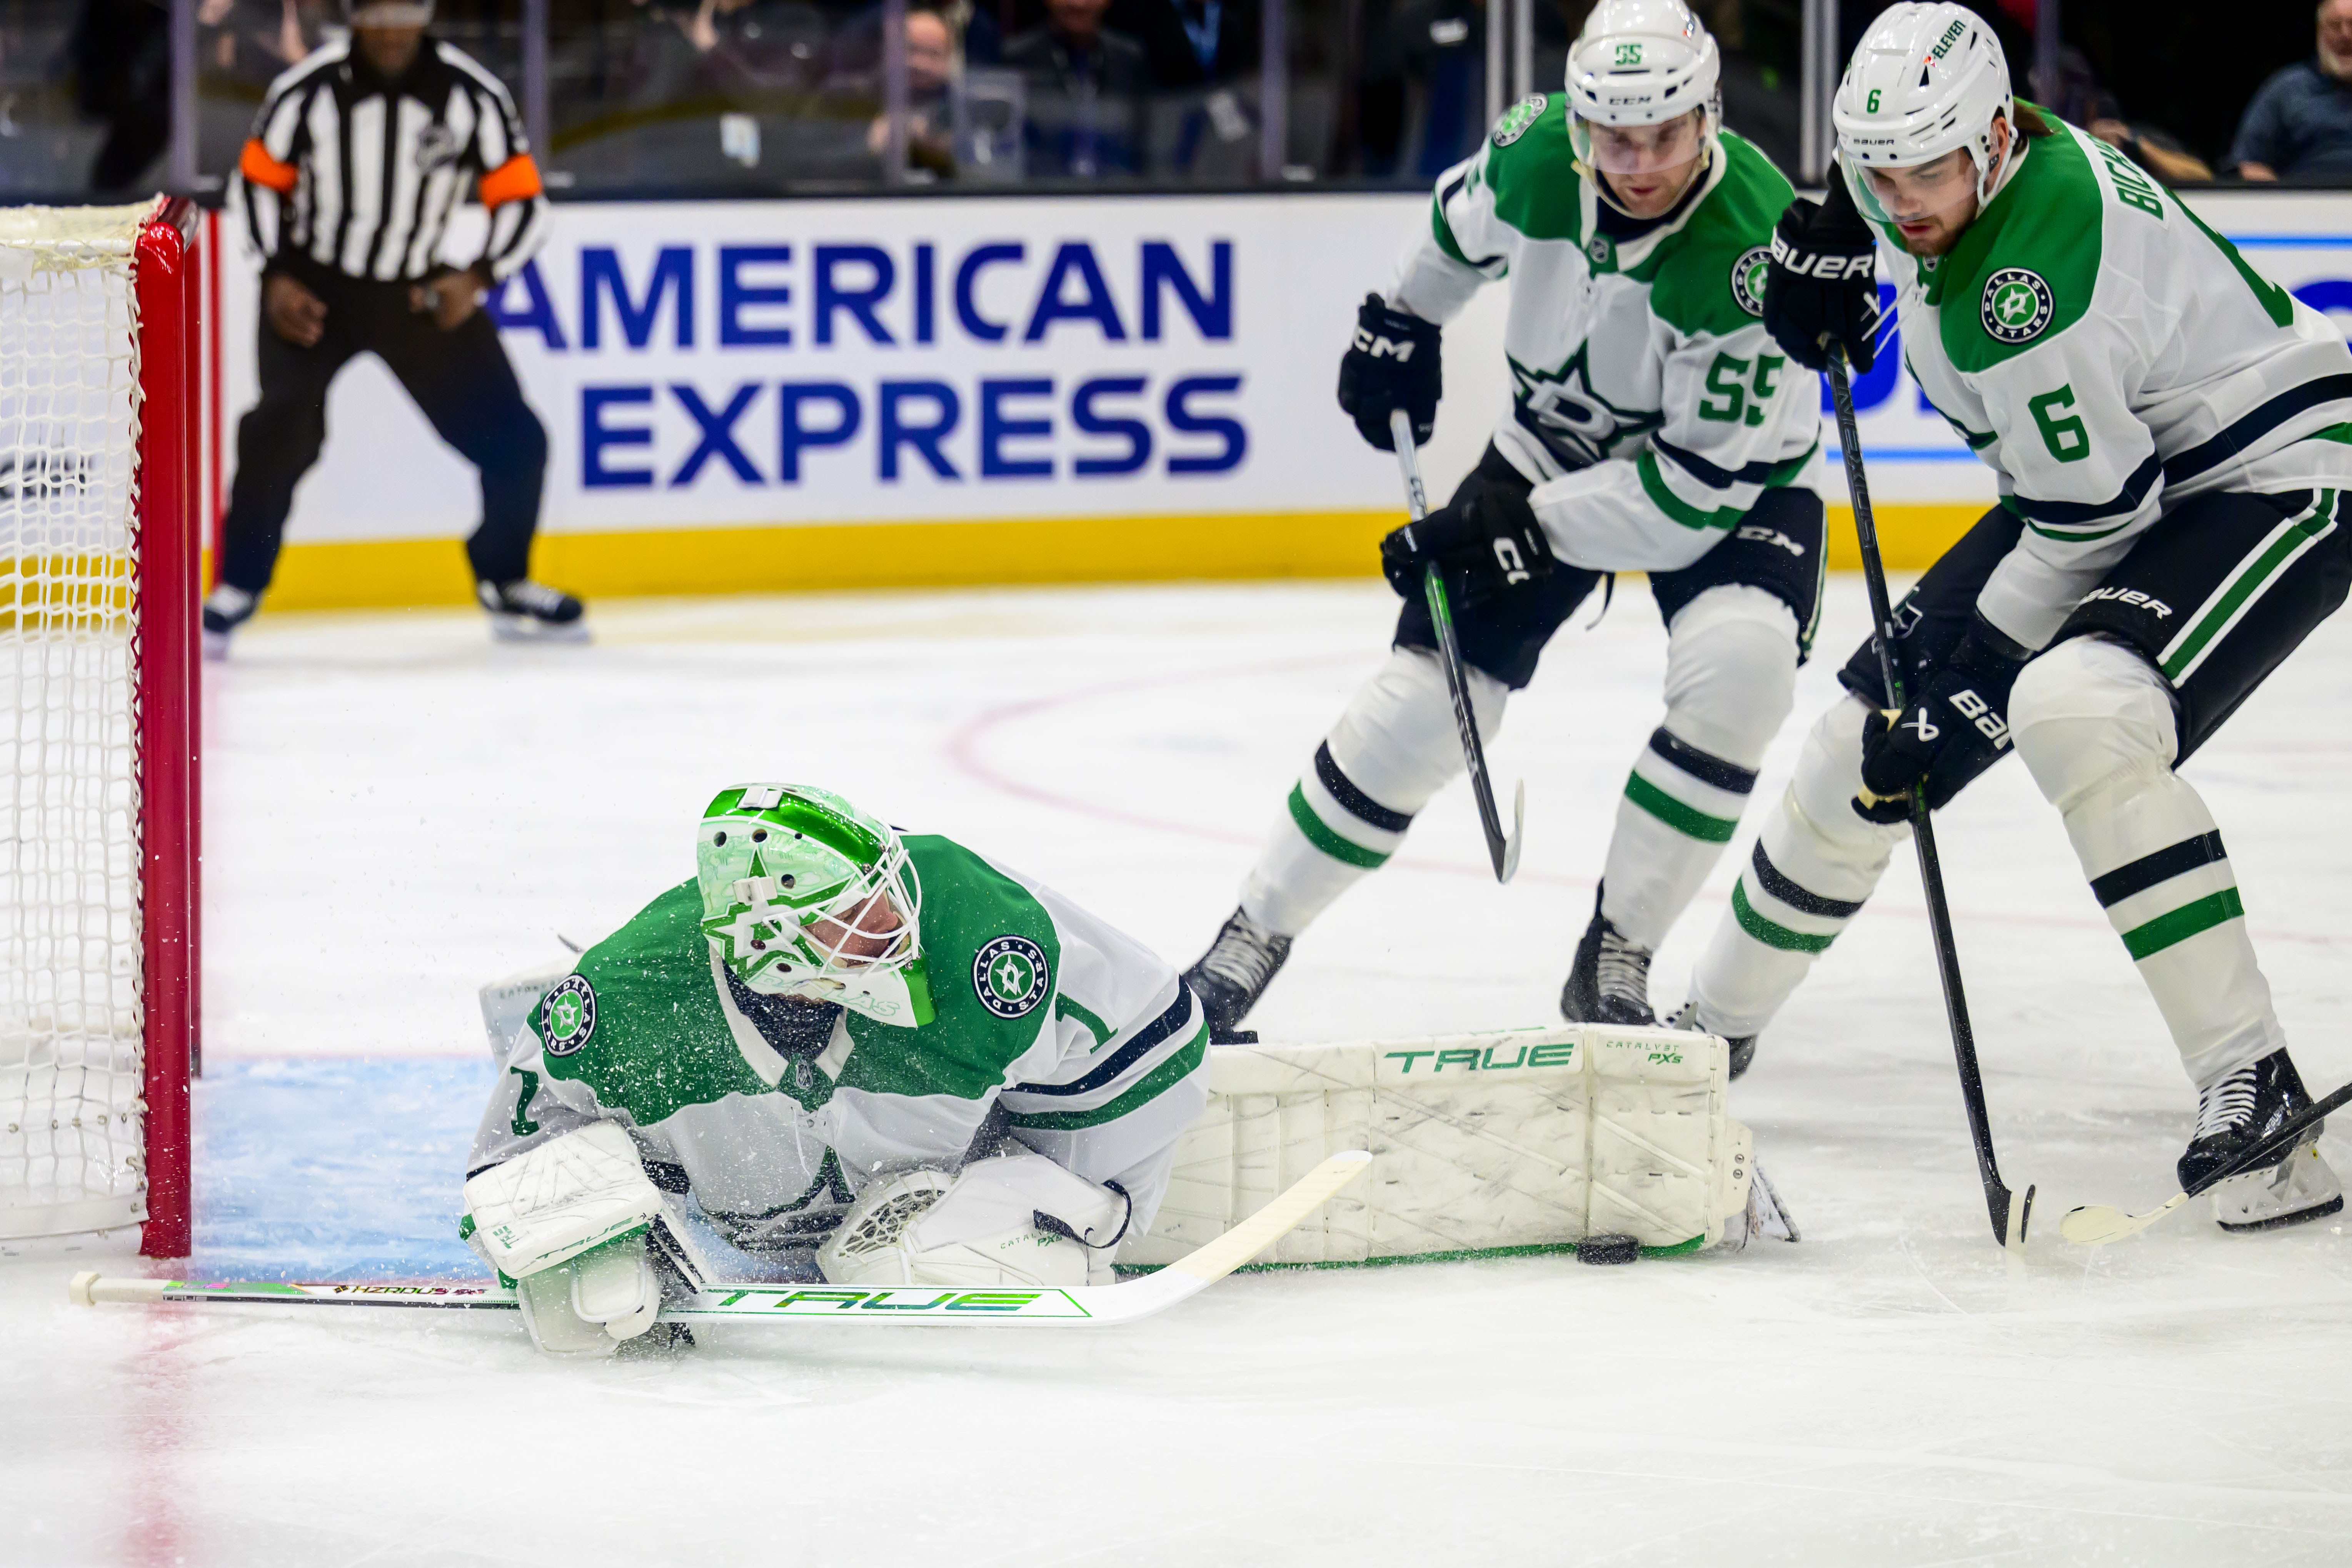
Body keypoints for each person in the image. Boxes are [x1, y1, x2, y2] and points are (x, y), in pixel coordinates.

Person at [1699, 2, 2351, 1232]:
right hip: (2111, 466)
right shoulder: (1928, 148)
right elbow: (1875, 154)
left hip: (2273, 473)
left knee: (2075, 705)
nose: (1904, 201)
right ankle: (1702, 1035)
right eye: (1877, 175)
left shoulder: (2028, 286)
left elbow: (2090, 530)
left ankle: (2256, 1088)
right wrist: (1832, 224)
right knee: (1853, 743)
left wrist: (1960, 697)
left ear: (1996, 140)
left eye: (1925, 173)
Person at [1182, 0, 1824, 1057]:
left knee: (1741, 671)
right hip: (1551, 445)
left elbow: (1683, 502)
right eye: (1615, 137)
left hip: (1733, 486)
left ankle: (1616, 951)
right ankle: (1248, 938)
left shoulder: (1751, 249)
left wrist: (1515, 526)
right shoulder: (1533, 158)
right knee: (1420, 709)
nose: (1640, 162)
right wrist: (1400, 319)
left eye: (1665, 134)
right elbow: (1450, 233)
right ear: (1579, 126)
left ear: (1708, 113)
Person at [464, 783, 1211, 1357]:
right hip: (730, 1185)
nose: (896, 922)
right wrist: (601, 1239)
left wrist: (1069, 1202)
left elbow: (1153, 1026)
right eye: (858, 918)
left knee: (953, 1262)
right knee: (579, 1317)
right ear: (773, 948)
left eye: (883, 895)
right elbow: (520, 1142)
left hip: (933, 1184)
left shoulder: (972, 927)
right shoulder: (631, 1000)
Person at [210, 0, 584, 655]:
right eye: (375, 11)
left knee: (517, 440)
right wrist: (274, 275)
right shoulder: (307, 90)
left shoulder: (473, 95)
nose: (389, 28)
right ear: (352, 15)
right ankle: (236, 587)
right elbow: (258, 184)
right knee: (280, 432)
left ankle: (505, 577)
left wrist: (478, 277)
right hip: (312, 291)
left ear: (428, 12)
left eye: (404, 10)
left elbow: (523, 200)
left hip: (416, 290)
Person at [1003, 0, 1149, 175]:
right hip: (1041, 194)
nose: (1079, 4)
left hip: (1119, 194)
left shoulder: (1130, 59)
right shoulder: (1016, 59)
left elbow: (1147, 145)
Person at [2232, 0, 2352, 182]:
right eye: (2335, 26)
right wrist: (2283, 203)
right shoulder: (2286, 89)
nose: (2346, 35)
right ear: (2320, 31)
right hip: (2303, 204)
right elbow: (2249, 163)